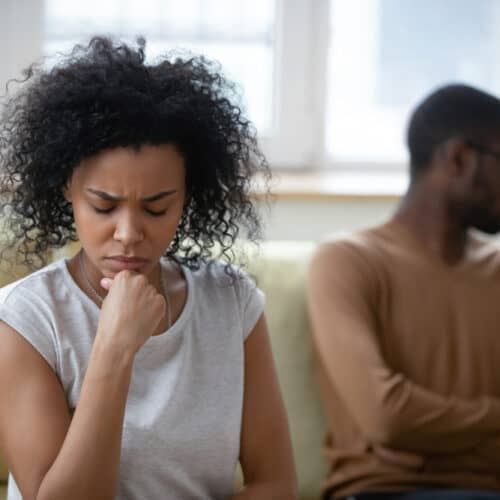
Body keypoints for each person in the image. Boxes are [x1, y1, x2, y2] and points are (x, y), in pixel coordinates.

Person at [0, 37, 297, 500]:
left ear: (187, 198)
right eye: (104, 206)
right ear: (67, 189)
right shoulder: (25, 317)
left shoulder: (231, 301)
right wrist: (115, 347)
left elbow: (276, 484)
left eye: (157, 208)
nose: (129, 232)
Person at [307, 84, 500, 500]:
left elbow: (396, 424)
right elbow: (385, 415)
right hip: (387, 491)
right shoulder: (347, 260)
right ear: (459, 159)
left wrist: (423, 434)